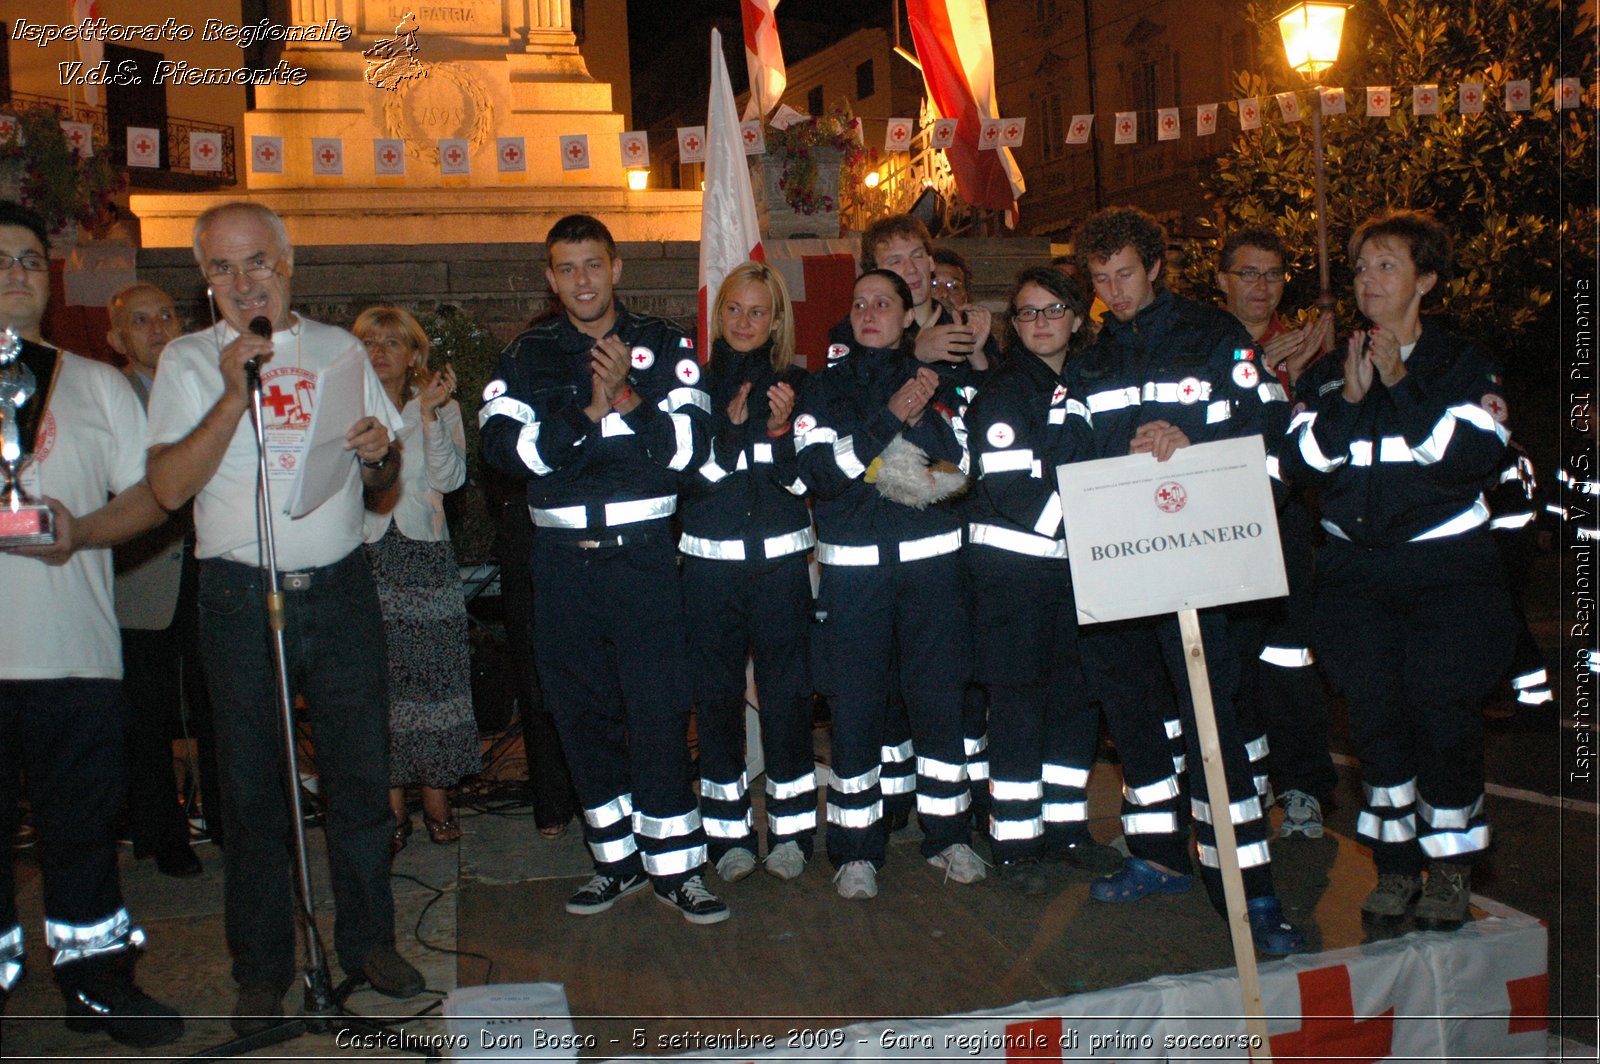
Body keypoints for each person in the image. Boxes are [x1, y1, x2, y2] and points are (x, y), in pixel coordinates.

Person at [145, 201, 424, 1033]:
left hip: (338, 591)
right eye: (222, 269)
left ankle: (369, 939)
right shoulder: (187, 362)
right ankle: (263, 968)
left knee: (359, 779)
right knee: (254, 793)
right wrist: (234, 391)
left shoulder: (339, 350)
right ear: (205, 284)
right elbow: (166, 488)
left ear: (287, 262)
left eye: (256, 262)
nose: (242, 282)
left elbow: (384, 475)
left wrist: (381, 453)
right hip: (238, 596)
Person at [478, 214, 727, 924]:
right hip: (559, 565)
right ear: (551, 279)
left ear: (616, 268)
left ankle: (679, 869)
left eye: (594, 264)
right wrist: (584, 413)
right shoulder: (527, 356)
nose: (583, 280)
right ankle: (614, 862)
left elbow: (692, 455)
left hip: (643, 561)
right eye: (568, 268)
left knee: (656, 711)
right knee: (579, 714)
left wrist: (628, 400)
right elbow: (502, 452)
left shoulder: (663, 345)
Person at [1070, 206, 1305, 955]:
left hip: (1198, 565)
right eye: (1101, 279)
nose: (1115, 291)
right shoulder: (1093, 356)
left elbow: (1270, 431)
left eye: (1126, 274)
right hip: (1119, 572)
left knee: (1213, 730)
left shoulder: (1211, 337)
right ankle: (1160, 857)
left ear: (1157, 266)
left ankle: (1251, 892)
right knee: (1135, 720)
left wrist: (1190, 438)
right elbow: (1071, 451)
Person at [1285, 209, 1515, 930]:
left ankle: (1448, 869)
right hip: (1355, 578)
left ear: (1427, 279)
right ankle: (1394, 866)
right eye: (1361, 268)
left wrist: (1404, 385)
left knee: (1443, 719)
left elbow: (1473, 460)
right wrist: (1351, 402)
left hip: (1448, 573)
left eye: (1387, 265)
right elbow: (1297, 465)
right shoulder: (1329, 373)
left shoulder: (1462, 364)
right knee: (1377, 725)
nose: (1369, 280)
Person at [0, 201, 181, 1046]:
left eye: (32, 258)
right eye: (1, 259)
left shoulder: (98, 384)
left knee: (83, 839)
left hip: (74, 656)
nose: (19, 273)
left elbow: (150, 497)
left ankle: (98, 983)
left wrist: (80, 530)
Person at [795, 269, 980, 900]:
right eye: (858, 303)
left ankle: (950, 835)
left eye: (883, 303)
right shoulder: (823, 387)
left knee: (938, 704)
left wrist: (873, 460)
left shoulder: (941, 380)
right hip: (854, 578)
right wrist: (891, 421)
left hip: (932, 570)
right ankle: (854, 851)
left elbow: (960, 473)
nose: (868, 312)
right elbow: (819, 471)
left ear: (910, 316)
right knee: (855, 711)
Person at [964, 267, 1122, 895]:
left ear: (1078, 318)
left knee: (1076, 702)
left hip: (1077, 573)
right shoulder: (1004, 392)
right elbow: (1007, 488)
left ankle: (1065, 827)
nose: (1039, 322)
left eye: (1052, 309)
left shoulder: (1090, 381)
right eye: (1026, 313)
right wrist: (1092, 529)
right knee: (1020, 706)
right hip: (1015, 576)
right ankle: (1016, 838)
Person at [682, 262, 816, 884]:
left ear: (777, 320)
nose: (744, 322)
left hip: (781, 570)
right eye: (734, 309)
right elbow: (687, 484)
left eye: (758, 311)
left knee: (787, 701)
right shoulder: (694, 388)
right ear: (718, 313)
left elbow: (803, 483)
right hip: (709, 571)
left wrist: (783, 431)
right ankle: (729, 837)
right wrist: (731, 435)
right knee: (715, 704)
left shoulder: (798, 385)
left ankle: (791, 833)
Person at [1215, 228, 1339, 839]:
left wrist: (1300, 380)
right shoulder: (1206, 347)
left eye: (1273, 274)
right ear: (1222, 281)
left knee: (1289, 662)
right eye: (1248, 273)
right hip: (1220, 525)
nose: (1262, 287)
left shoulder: (1317, 351)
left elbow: (1330, 437)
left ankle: (1303, 790)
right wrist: (1258, 375)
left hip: (1289, 523)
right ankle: (1246, 787)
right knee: (1228, 666)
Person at [353, 306, 480, 853]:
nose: (380, 351)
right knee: (379, 686)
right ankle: (390, 805)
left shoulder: (440, 405)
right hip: (364, 553)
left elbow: (450, 478)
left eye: (392, 342)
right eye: (369, 342)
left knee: (435, 682)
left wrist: (427, 415)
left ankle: (437, 799)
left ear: (414, 355)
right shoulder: (344, 409)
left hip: (425, 555)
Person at [107, 283, 213, 878]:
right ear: (117, 338)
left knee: (218, 702)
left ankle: (230, 821)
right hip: (142, 573)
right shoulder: (109, 394)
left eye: (166, 315)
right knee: (145, 714)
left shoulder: (202, 386)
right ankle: (163, 833)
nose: (158, 328)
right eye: (140, 321)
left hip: (211, 563)